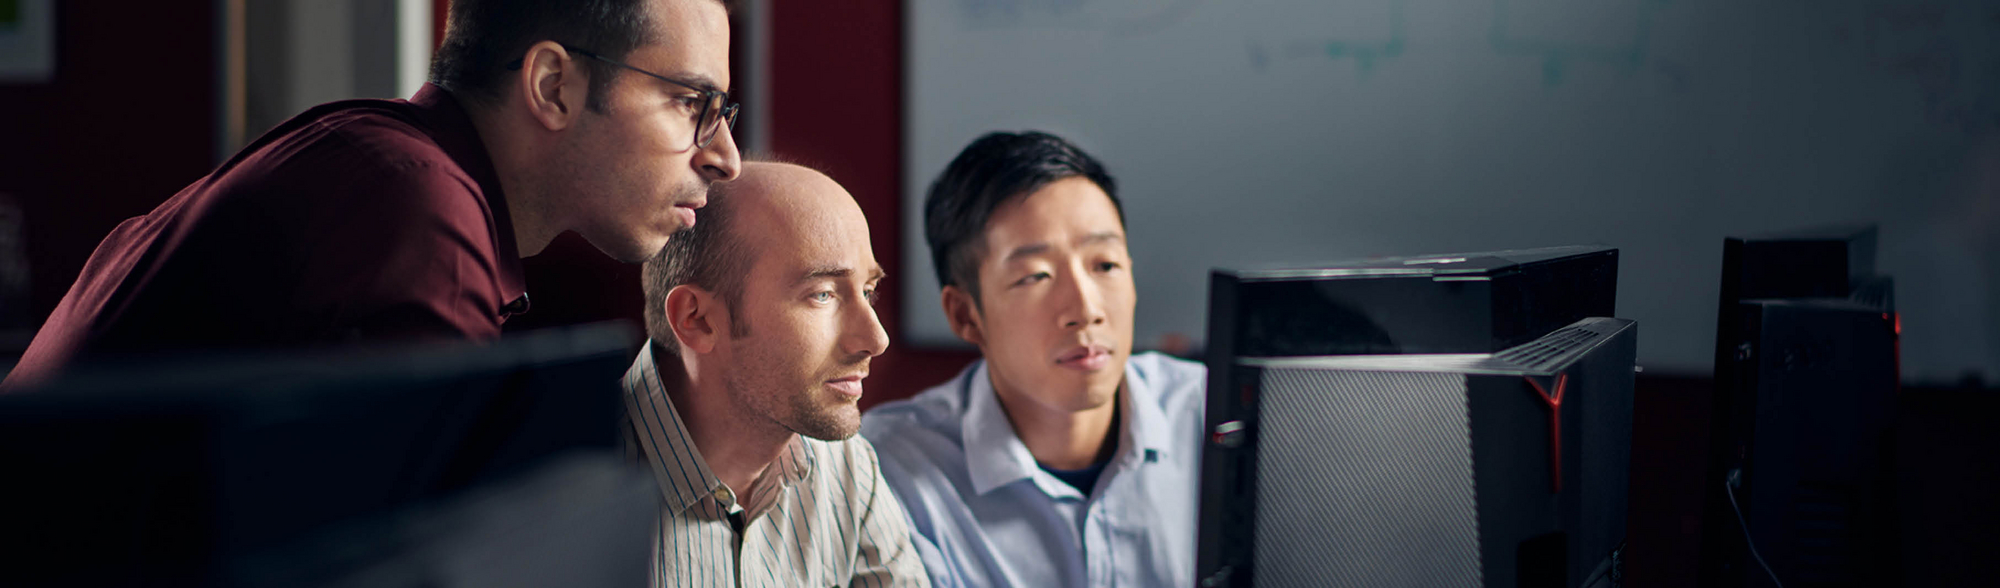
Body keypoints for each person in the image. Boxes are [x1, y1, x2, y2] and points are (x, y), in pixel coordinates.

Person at [2, 0, 741, 390]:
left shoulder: (382, 164)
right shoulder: (416, 212)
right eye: (692, 104)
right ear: (553, 86)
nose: (727, 157)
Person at [860, 131, 1205, 587]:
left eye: (1105, 265)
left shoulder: (1216, 416)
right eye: (1035, 276)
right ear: (966, 315)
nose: (1085, 310)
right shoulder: (886, 470)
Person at [627, 161, 927, 587]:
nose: (876, 339)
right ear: (697, 320)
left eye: (867, 291)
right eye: (822, 294)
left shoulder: (848, 468)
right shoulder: (553, 492)